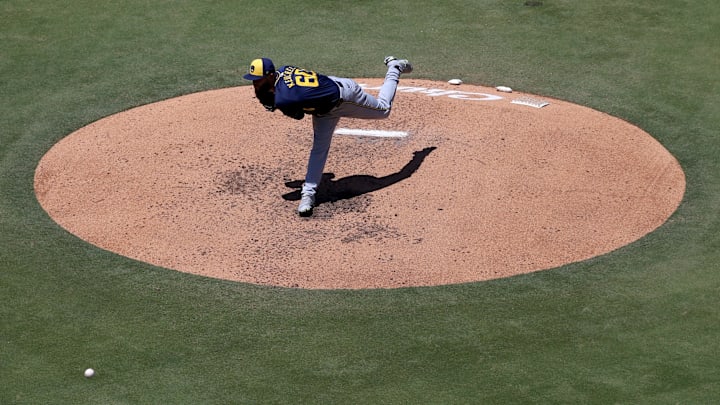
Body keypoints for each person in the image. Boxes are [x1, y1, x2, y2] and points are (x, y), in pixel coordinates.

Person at [242, 56, 413, 217]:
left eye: (258, 80)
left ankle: (395, 67)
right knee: (319, 149)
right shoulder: (283, 70)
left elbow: (298, 114)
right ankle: (308, 195)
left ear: (271, 76)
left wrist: (275, 101)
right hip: (324, 106)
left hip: (344, 98)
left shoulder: (286, 100)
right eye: (254, 80)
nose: (255, 84)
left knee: (383, 110)